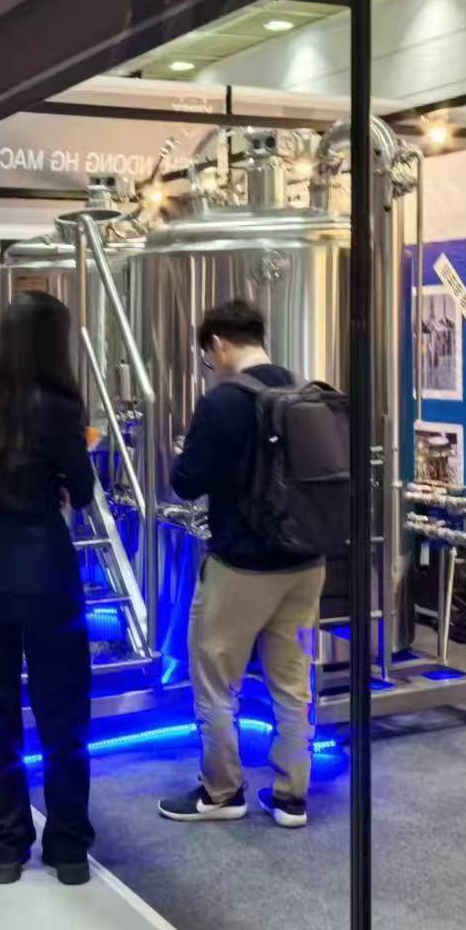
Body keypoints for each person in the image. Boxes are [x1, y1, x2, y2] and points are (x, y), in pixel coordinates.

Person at [158, 300, 326, 830]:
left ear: (217, 345)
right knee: (293, 683)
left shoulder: (224, 402)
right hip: (307, 564)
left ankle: (222, 790)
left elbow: (186, 482)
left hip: (242, 569)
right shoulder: (305, 391)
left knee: (215, 682)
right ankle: (292, 797)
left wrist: (183, 451)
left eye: (209, 357)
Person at [0, 292, 95, 885]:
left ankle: (6, 849)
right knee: (63, 714)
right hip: (45, 574)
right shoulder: (58, 406)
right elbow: (82, 489)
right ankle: (68, 849)